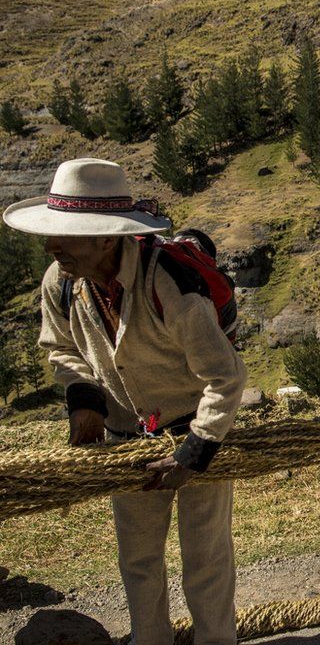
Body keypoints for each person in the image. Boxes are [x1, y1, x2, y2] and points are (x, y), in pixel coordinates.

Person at [3, 158, 247, 644]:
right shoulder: (63, 279)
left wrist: (193, 454)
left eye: (66, 235)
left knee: (206, 560)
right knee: (138, 560)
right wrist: (85, 401)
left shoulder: (170, 283)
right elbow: (62, 348)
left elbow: (225, 377)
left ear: (105, 238)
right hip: (124, 439)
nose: (52, 246)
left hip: (196, 430)